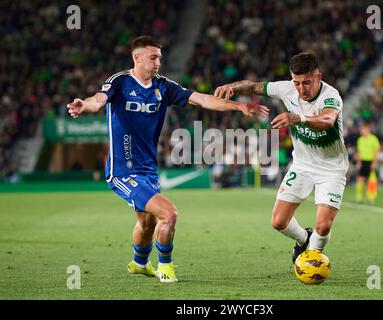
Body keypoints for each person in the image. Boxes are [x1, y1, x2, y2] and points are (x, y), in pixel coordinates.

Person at [67, 35, 268, 283]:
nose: (158, 62)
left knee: (147, 223)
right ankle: (166, 267)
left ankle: (139, 263)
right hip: (123, 170)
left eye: (160, 58)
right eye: (153, 57)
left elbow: (203, 99)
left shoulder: (164, 87)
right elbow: (97, 101)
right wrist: (83, 105)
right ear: (137, 57)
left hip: (148, 170)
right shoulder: (119, 82)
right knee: (169, 214)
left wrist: (239, 107)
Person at [215, 52, 348, 263]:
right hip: (302, 166)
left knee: (323, 226)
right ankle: (304, 239)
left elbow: (328, 119)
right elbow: (253, 86)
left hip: (331, 169)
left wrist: (299, 118)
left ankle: (311, 260)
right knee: (278, 221)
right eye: (296, 82)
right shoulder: (287, 89)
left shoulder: (330, 96)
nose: (301, 89)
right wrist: (232, 87)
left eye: (307, 82)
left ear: (318, 77)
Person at [355, 123, 380, 204]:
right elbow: (358, 152)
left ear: (368, 130)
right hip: (363, 162)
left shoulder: (374, 139)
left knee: (371, 182)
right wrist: (358, 162)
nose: (361, 131)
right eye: (361, 130)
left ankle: (370, 199)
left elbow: (376, 152)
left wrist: (374, 162)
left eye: (362, 130)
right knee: (360, 180)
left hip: (370, 161)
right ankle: (359, 198)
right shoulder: (360, 140)